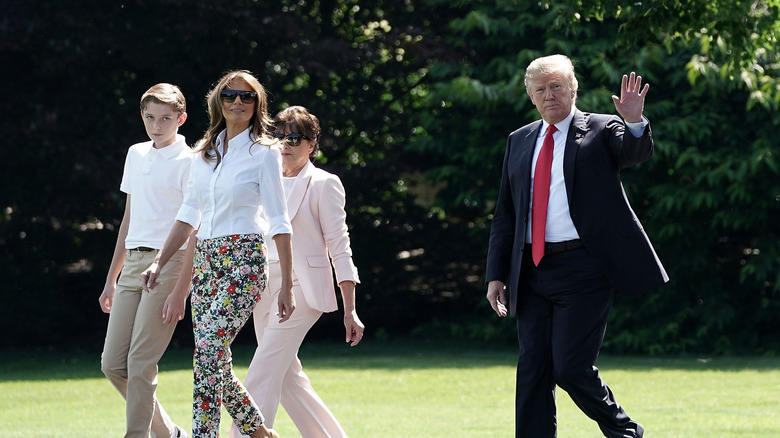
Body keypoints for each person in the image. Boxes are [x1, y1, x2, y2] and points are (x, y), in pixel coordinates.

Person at [485, 54, 669, 437]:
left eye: (557, 86)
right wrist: (496, 275)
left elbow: (633, 152)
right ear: (531, 98)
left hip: (584, 269)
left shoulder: (601, 129)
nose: (549, 95)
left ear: (573, 89)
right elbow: (506, 214)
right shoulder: (518, 140)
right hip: (531, 272)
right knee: (533, 368)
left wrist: (634, 121)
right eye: (541, 90)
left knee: (570, 367)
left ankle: (626, 432)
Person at [141, 70, 293, 438]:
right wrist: (160, 261)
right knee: (213, 359)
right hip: (205, 262)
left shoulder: (265, 153)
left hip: (245, 260)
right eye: (230, 95)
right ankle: (259, 433)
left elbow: (278, 219)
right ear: (218, 101)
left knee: (207, 351)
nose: (237, 102)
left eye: (246, 96)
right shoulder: (202, 153)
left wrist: (287, 284)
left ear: (257, 104)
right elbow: (188, 215)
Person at [230, 106, 364, 438]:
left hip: (303, 289)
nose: (285, 144)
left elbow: (339, 244)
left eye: (295, 137)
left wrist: (351, 309)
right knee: (287, 378)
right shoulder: (262, 180)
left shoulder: (324, 183)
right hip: (263, 289)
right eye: (278, 136)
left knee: (262, 369)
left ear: (312, 143)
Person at [99, 82, 194, 438]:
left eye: (166, 118)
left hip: (170, 265)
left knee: (140, 363)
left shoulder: (192, 161)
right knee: (112, 365)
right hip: (132, 267)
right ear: (142, 115)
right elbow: (128, 219)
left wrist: (179, 291)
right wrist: (111, 277)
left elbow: (194, 228)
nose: (157, 125)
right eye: (151, 117)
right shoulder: (135, 154)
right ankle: (170, 434)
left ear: (181, 119)